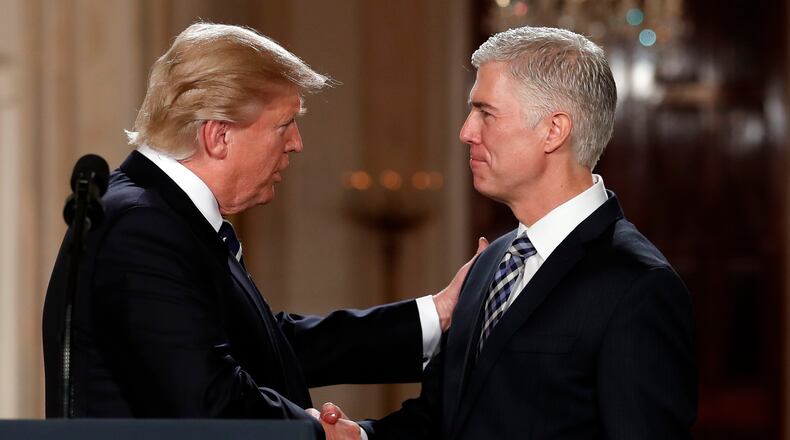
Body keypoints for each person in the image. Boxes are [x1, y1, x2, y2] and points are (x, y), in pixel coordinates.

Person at [41, 22, 486, 439]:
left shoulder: (163, 215)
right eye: (284, 124)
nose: (297, 142)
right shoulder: (142, 228)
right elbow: (207, 403)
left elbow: (265, 344)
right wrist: (317, 431)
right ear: (218, 137)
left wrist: (436, 314)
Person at [319, 26, 697, 439]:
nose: (466, 131)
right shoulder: (489, 264)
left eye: (486, 112)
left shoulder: (638, 285)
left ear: (554, 130)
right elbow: (443, 420)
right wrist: (361, 437)